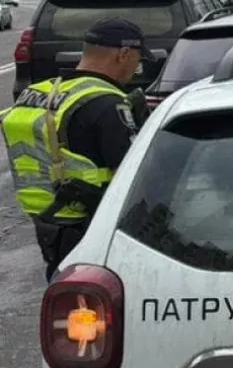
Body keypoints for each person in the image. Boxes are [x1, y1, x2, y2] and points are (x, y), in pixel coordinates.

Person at [3, 18, 144, 281]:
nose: (136, 70)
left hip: (48, 221)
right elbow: (134, 176)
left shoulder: (36, 94)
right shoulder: (106, 103)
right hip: (94, 226)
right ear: (123, 54)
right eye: (137, 61)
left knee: (65, 289)